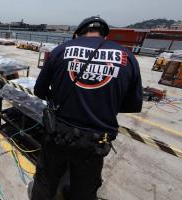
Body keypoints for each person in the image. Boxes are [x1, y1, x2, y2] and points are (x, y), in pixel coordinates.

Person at [31, 16, 142, 200]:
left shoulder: (60, 50)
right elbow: (133, 104)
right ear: (104, 36)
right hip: (95, 141)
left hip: (58, 134)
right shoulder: (127, 56)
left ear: (77, 34)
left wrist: (59, 98)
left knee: (46, 179)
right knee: (84, 189)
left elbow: (39, 90)